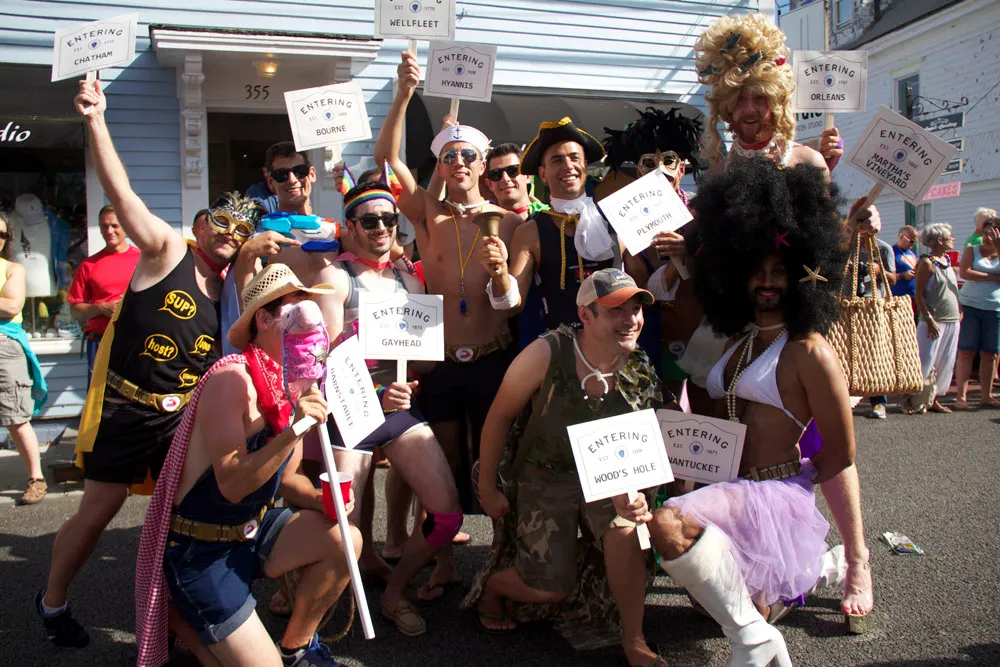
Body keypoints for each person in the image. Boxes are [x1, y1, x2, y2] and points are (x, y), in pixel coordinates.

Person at [36, 78, 263, 649]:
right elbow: (123, 192)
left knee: (182, 520)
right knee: (99, 512)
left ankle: (174, 625)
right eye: (222, 222)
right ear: (201, 224)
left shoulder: (231, 292)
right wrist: (95, 120)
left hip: (181, 419)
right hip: (124, 408)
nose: (230, 234)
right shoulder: (167, 249)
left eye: (242, 230)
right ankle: (52, 600)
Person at [666, 13, 875, 628]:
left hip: (795, 318)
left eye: (760, 98)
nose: (750, 110)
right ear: (725, 109)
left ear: (777, 100)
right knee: (722, 424)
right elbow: (713, 253)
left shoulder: (806, 159)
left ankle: (856, 557)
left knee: (821, 443)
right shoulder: (719, 173)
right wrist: (684, 250)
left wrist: (855, 224)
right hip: (733, 322)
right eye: (739, 101)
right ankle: (740, 547)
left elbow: (825, 249)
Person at [649, 159, 856, 667]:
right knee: (707, 601)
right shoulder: (738, 343)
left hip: (770, 495)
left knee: (668, 525)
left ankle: (758, 631)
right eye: (758, 271)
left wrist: (791, 495)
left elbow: (841, 453)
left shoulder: (810, 351)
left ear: (801, 277)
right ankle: (798, 583)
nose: (767, 281)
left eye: (779, 271)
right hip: (731, 488)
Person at [135, 263, 360, 667]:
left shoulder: (290, 382)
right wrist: (295, 429)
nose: (309, 320)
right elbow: (232, 484)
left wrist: (321, 500)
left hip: (251, 532)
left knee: (347, 539)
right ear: (264, 319)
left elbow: (287, 479)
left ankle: (296, 646)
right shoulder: (231, 380)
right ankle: (183, 618)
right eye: (295, 308)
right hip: (201, 549)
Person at [468, 268, 666, 667]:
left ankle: (634, 639)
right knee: (551, 588)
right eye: (615, 311)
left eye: (635, 309)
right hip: (545, 473)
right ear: (586, 315)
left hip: (606, 474)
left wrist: (638, 495)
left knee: (625, 532)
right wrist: (487, 489)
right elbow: (499, 417)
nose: (630, 320)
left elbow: (645, 438)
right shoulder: (547, 353)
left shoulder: (638, 363)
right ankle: (494, 587)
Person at [311, 180, 463, 635]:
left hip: (396, 409)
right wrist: (375, 394)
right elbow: (323, 366)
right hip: (349, 413)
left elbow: (423, 361)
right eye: (369, 220)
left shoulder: (408, 279)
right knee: (343, 530)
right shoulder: (335, 279)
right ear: (350, 226)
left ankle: (395, 594)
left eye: (389, 219)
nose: (381, 227)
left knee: (446, 516)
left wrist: (419, 364)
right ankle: (309, 607)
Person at [374, 49, 520, 518]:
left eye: (468, 155)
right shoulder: (426, 214)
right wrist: (403, 95)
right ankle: (440, 551)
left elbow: (514, 300)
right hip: (441, 362)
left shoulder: (510, 222)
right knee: (443, 459)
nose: (459, 161)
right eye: (449, 156)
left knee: (494, 462)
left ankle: (499, 548)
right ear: (439, 167)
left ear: (482, 165)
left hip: (492, 358)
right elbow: (386, 159)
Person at [480, 117, 647, 332]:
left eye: (574, 158)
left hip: (616, 342)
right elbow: (512, 306)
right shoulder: (529, 232)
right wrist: (500, 273)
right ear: (543, 174)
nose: (568, 166)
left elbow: (643, 286)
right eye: (557, 160)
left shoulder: (617, 219)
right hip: (563, 347)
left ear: (585, 165)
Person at [601, 106, 705, 402]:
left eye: (669, 162)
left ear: (681, 169)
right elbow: (643, 289)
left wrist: (689, 254)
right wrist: (674, 264)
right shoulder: (625, 222)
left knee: (705, 419)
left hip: (700, 338)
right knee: (659, 410)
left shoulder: (702, 215)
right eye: (649, 164)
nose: (660, 172)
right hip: (652, 340)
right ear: (639, 172)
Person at [0, 211, 48, 505]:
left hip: (5, 347)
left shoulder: (13, 268)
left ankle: (36, 478)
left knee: (15, 417)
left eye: (2, 234)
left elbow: (12, 305)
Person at [66, 204, 140, 385]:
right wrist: (100, 308)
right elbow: (75, 311)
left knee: (135, 397)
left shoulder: (143, 260)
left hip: (136, 342)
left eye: (114, 226)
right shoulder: (89, 265)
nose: (109, 231)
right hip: (100, 342)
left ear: (125, 226)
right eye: (104, 226)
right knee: (100, 397)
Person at [904, 223, 961, 415]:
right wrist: (929, 319)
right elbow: (919, 294)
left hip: (951, 318)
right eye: (949, 236)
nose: (952, 239)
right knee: (925, 361)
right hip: (934, 320)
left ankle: (932, 398)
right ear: (939, 240)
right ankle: (911, 399)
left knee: (944, 362)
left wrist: (959, 309)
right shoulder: (927, 263)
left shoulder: (947, 261)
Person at [955, 217, 1000, 409]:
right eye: (986, 233)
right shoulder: (972, 250)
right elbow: (964, 272)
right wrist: (993, 277)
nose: (988, 238)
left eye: (993, 234)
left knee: (990, 353)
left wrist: (998, 246)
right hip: (971, 305)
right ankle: (961, 397)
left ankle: (986, 396)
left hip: (995, 308)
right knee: (966, 351)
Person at [482, 143, 549, 219]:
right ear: (489, 184)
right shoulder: (482, 222)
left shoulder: (552, 218)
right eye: (496, 174)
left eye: (513, 171)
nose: (505, 179)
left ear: (527, 176)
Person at [891, 225, 919, 302]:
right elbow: (882, 276)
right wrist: (902, 276)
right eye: (911, 241)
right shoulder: (891, 252)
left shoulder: (912, 254)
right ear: (901, 237)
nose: (913, 244)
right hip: (898, 299)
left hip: (914, 298)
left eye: (915, 242)